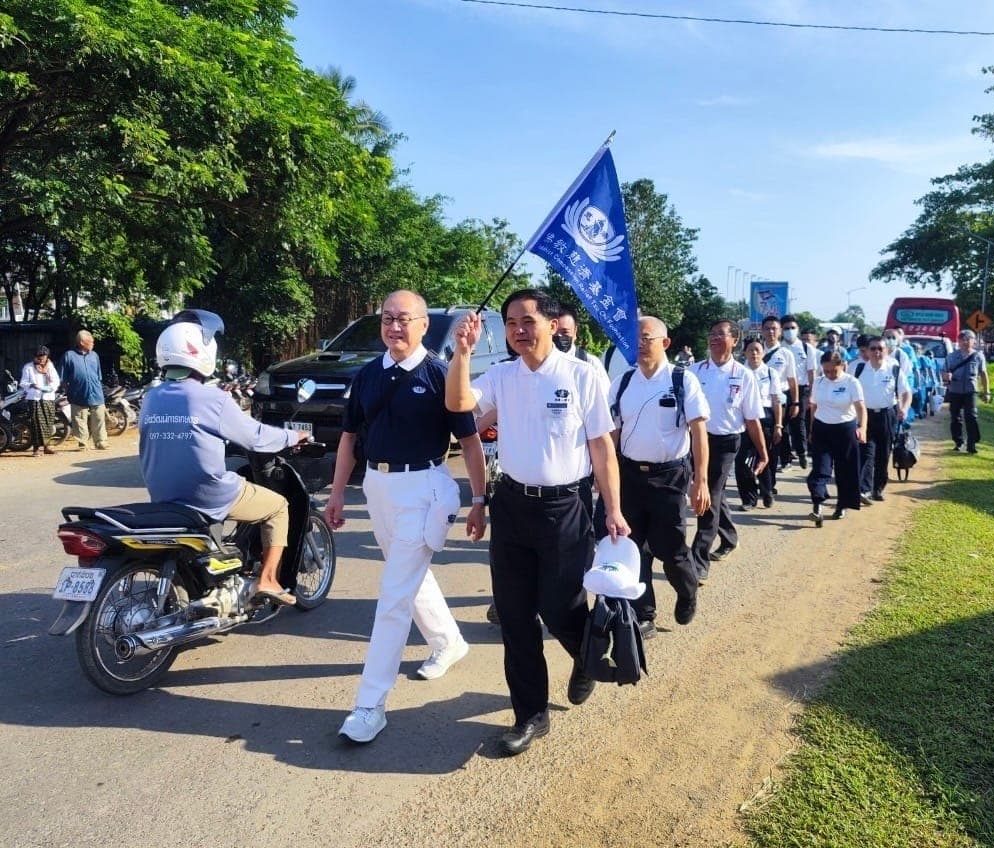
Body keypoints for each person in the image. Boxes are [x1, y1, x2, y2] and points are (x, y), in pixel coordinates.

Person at [446, 288, 629, 757]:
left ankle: (586, 655)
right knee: (514, 614)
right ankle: (530, 714)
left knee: (560, 605)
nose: (518, 331)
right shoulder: (502, 375)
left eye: (527, 321)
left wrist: (613, 508)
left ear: (551, 324)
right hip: (512, 506)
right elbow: (459, 404)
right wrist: (463, 352)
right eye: (510, 323)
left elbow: (602, 448)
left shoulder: (582, 376)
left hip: (565, 509)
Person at [323, 291, 488, 746]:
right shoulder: (366, 376)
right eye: (387, 319)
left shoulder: (440, 375)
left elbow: (470, 443)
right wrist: (338, 493)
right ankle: (448, 641)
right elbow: (349, 439)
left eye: (403, 319)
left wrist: (479, 498)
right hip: (377, 487)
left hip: (425, 490)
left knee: (393, 595)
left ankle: (369, 704)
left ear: (421, 325)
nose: (394, 327)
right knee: (409, 577)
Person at [139, 309, 309, 604]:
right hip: (208, 494)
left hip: (164, 494)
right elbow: (255, 437)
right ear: (203, 352)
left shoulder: (151, 397)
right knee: (279, 507)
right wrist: (293, 436)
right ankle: (267, 579)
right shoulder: (212, 398)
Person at [610, 316, 709, 638]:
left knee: (671, 549)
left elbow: (698, 432)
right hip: (629, 477)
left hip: (670, 478)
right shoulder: (624, 382)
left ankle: (687, 590)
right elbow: (613, 431)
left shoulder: (682, 380)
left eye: (646, 338)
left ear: (665, 343)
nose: (638, 343)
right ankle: (645, 614)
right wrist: (605, 474)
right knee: (632, 549)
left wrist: (701, 480)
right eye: (634, 338)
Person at [690, 320, 766, 582]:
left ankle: (699, 560)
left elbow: (753, 418)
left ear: (735, 340)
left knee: (708, 496)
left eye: (721, 335)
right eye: (711, 334)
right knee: (716, 493)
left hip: (726, 443)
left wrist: (763, 452)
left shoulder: (744, 375)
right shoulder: (693, 371)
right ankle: (730, 537)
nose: (714, 339)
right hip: (696, 441)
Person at [806, 351, 867, 527]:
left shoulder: (851, 382)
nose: (830, 375)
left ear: (842, 366)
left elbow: (860, 407)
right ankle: (817, 505)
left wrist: (862, 428)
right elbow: (814, 406)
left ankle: (842, 505)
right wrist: (811, 429)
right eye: (826, 371)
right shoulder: (819, 382)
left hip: (845, 429)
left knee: (845, 470)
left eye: (834, 371)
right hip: (822, 428)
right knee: (820, 469)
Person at [854, 336, 912, 503]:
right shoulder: (858, 370)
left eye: (880, 349)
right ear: (868, 351)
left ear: (886, 351)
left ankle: (878, 488)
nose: (877, 352)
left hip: (887, 416)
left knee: (883, 454)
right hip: (865, 416)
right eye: (873, 349)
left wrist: (904, 408)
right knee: (866, 453)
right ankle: (864, 489)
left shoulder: (894, 370)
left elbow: (906, 392)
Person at [738, 337, 783, 509]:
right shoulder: (740, 372)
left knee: (765, 457)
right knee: (742, 460)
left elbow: (776, 401)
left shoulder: (771, 373)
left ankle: (767, 491)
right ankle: (748, 499)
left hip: (766, 418)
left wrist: (778, 425)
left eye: (757, 350)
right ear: (745, 353)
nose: (754, 353)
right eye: (750, 350)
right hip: (743, 420)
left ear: (763, 353)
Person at [759, 316, 799, 471]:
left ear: (780, 331)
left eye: (774, 328)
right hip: (760, 400)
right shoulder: (755, 351)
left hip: (780, 398)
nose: (770, 331)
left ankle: (780, 461)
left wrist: (795, 402)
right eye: (767, 328)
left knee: (779, 431)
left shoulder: (786, 354)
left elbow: (792, 380)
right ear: (762, 330)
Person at [943, 329, 991, 453]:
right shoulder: (952, 356)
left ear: (974, 341)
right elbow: (944, 372)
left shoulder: (978, 356)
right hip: (955, 390)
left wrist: (986, 392)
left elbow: (983, 374)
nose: (965, 342)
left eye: (968, 339)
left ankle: (972, 443)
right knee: (955, 417)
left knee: (971, 416)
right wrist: (946, 376)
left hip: (971, 390)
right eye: (962, 339)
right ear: (958, 341)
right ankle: (958, 442)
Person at [780, 314, 818, 470]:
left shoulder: (806, 348)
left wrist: (812, 394)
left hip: (801, 389)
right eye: (786, 328)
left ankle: (802, 452)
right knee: (781, 425)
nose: (789, 331)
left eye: (792, 328)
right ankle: (785, 458)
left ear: (798, 329)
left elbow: (811, 372)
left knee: (798, 422)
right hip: (782, 389)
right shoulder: (778, 347)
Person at [60, 329, 108, 450]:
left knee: (99, 418)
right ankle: (83, 443)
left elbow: (98, 375)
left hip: (96, 392)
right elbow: (63, 378)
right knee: (79, 420)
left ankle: (101, 441)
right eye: (90, 342)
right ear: (82, 342)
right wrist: (68, 391)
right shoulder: (69, 356)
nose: (93, 344)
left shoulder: (94, 355)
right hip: (77, 393)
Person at [19, 345, 60, 456]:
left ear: (47, 356)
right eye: (38, 357)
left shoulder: (50, 366)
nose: (40, 359)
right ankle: (36, 448)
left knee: (48, 422)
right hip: (35, 399)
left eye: (43, 357)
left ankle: (47, 446)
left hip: (48, 398)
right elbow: (23, 383)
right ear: (35, 357)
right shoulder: (28, 367)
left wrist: (51, 387)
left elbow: (56, 381)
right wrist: (32, 385)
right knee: (36, 423)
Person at [554, 306, 609, 383]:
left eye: (565, 332)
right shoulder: (536, 363)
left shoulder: (590, 363)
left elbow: (605, 394)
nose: (559, 336)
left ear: (575, 331)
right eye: (554, 331)